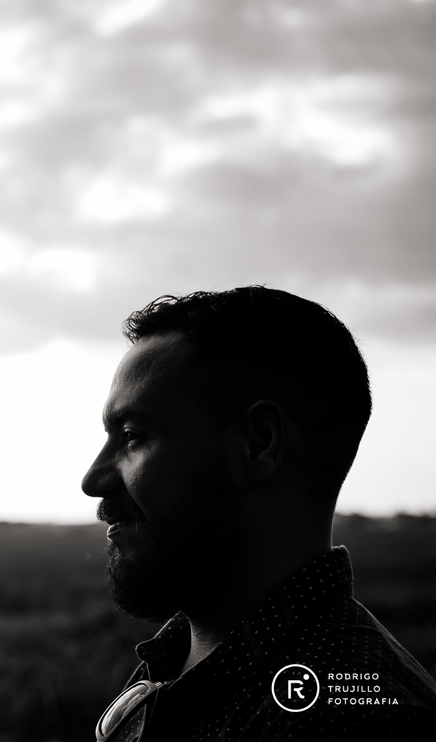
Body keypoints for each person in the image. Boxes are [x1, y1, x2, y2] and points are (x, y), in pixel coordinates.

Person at [83, 286, 436, 742]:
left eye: (133, 435)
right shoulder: (183, 657)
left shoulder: (348, 722)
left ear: (259, 444)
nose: (93, 479)